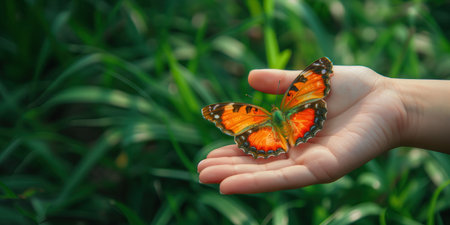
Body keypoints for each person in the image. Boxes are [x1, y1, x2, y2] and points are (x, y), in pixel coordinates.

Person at [197, 65, 450, 194]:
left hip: (271, 132)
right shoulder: (291, 100)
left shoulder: (254, 114)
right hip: (298, 120)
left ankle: (277, 144)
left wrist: (398, 104)